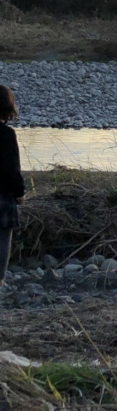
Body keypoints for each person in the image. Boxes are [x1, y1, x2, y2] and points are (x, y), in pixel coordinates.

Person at [0, 86, 25, 288]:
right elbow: (12, 169)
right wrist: (19, 193)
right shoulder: (7, 135)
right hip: (3, 196)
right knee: (2, 239)